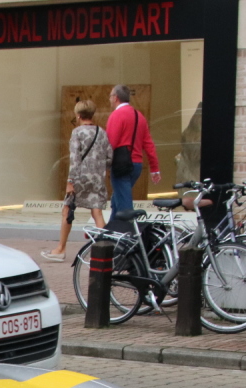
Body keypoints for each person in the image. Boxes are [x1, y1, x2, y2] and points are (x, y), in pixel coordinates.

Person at [42, 100, 110, 263]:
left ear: (78, 115)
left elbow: (75, 158)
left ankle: (60, 249)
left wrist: (70, 180)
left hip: (80, 176)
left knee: (67, 210)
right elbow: (110, 157)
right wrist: (98, 169)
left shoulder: (77, 133)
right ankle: (105, 250)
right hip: (97, 177)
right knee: (97, 212)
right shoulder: (102, 132)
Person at [105, 84, 159, 216]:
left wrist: (102, 164)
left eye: (110, 96)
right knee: (118, 200)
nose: (110, 99)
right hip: (136, 165)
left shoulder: (116, 115)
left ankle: (128, 233)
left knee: (124, 207)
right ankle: (112, 232)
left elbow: (110, 143)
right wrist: (154, 168)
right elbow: (148, 144)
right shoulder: (139, 116)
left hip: (121, 165)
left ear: (116, 98)